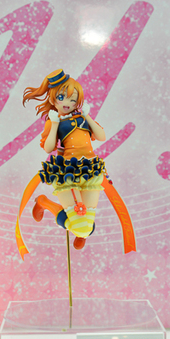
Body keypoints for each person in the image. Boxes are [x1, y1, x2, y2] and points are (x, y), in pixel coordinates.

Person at [22, 69, 108, 250]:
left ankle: (73, 226)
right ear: (53, 99)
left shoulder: (82, 118)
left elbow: (101, 136)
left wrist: (87, 116)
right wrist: (54, 123)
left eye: (73, 99)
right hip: (68, 172)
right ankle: (48, 206)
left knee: (87, 223)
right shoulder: (54, 121)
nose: (67, 103)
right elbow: (49, 147)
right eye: (62, 98)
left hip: (90, 170)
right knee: (82, 224)